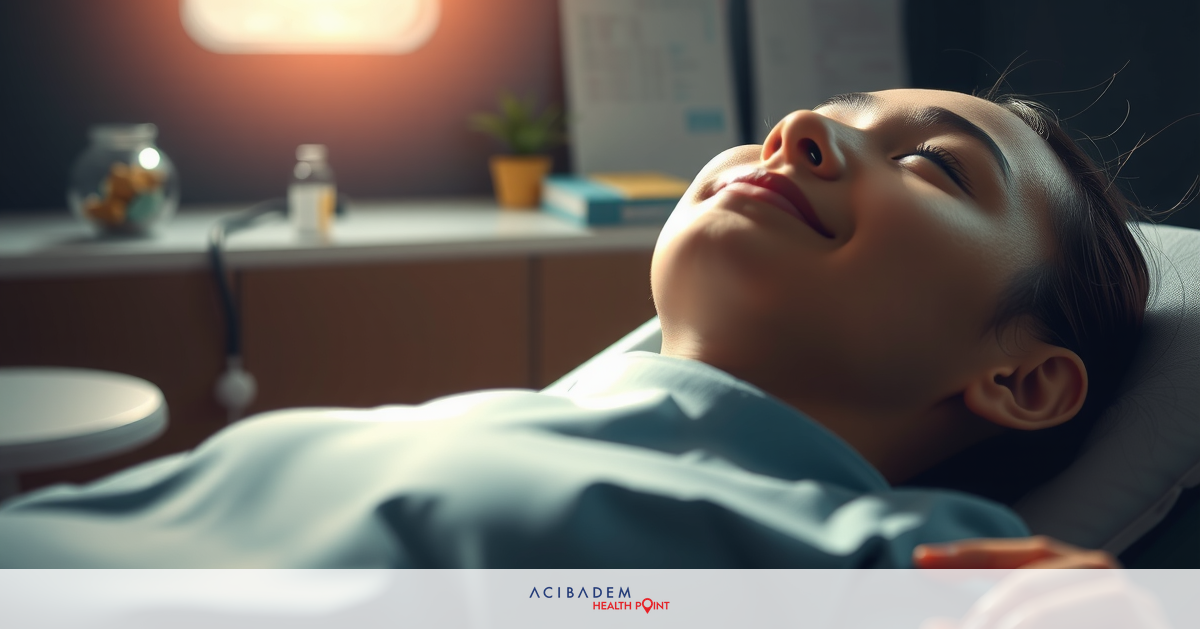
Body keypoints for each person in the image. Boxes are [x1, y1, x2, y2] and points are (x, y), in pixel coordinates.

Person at [0, 88, 1148, 568]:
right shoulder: (504, 421)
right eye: (833, 111)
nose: (798, 127)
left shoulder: (878, 556)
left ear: (1026, 380)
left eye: (936, 165)